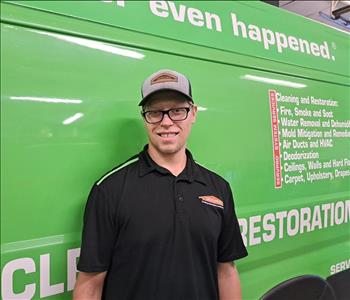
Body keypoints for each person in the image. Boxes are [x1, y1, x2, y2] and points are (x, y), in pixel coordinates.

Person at [73, 69, 248, 300]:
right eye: (155, 113)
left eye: (177, 111)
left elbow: (226, 272)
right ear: (144, 118)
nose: (166, 122)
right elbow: (90, 284)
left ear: (193, 113)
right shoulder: (109, 190)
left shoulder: (218, 188)